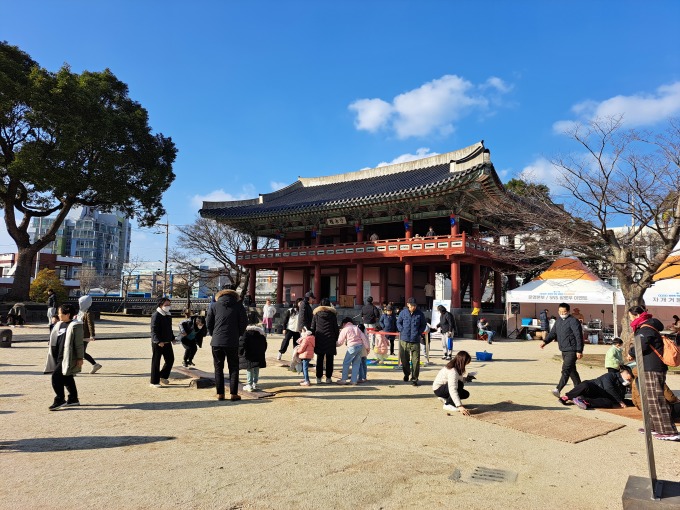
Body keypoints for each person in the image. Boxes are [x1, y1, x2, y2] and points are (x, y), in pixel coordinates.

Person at [628, 305, 679, 440]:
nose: (630, 319)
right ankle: (652, 426)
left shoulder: (646, 328)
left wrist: (630, 352)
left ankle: (668, 431)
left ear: (637, 315)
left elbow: (641, 346)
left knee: (656, 400)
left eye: (631, 316)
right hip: (651, 367)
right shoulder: (649, 327)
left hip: (652, 368)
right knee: (650, 400)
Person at [207, 289, 247, 401]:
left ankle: (220, 393)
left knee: (218, 367)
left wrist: (213, 334)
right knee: (234, 367)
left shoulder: (214, 306)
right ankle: (234, 393)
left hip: (216, 341)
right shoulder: (239, 306)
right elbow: (243, 322)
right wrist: (238, 334)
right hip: (232, 341)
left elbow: (208, 322)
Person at [44, 304, 84, 410]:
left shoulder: (76, 325)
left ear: (68, 314)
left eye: (60, 313)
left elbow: (79, 343)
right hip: (58, 355)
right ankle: (73, 399)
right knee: (67, 377)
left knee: (56, 377)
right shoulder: (59, 324)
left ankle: (60, 399)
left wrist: (80, 358)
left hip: (67, 357)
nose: (58, 315)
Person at [540, 302, 583, 398]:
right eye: (560, 311)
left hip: (572, 350)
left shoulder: (573, 321)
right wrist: (545, 342)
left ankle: (558, 389)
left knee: (566, 369)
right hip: (563, 350)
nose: (562, 313)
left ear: (568, 311)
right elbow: (552, 333)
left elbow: (578, 336)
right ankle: (580, 390)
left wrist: (579, 350)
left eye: (564, 312)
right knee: (572, 371)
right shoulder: (558, 321)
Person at [558, 366, 632, 409]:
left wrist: (633, 403)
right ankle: (567, 397)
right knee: (585, 385)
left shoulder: (624, 385)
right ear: (625, 373)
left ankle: (584, 401)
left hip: (601, 396)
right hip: (595, 387)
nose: (630, 379)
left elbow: (621, 398)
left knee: (608, 403)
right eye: (629, 377)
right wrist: (620, 401)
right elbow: (608, 388)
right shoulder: (611, 375)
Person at [396, 297, 427, 386]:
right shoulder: (403, 313)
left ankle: (414, 378)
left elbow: (423, 324)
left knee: (416, 361)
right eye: (412, 305)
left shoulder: (420, 314)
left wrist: (419, 332)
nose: (413, 307)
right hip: (404, 340)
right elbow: (398, 323)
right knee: (404, 360)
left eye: (415, 306)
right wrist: (401, 330)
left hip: (415, 340)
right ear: (408, 305)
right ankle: (406, 374)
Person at [432, 350, 473, 415]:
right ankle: (448, 404)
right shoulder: (452, 371)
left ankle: (446, 399)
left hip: (444, 387)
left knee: (465, 394)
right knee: (459, 385)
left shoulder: (456, 366)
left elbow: (457, 379)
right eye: (466, 363)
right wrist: (460, 406)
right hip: (438, 389)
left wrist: (466, 379)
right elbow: (452, 388)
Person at [310, 298, 339, 383]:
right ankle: (328, 378)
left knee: (319, 359)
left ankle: (318, 378)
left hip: (319, 338)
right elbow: (335, 328)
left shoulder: (316, 314)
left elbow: (313, 327)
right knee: (330, 359)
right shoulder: (333, 315)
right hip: (330, 338)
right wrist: (336, 338)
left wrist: (314, 337)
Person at [150, 297, 175, 388]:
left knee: (170, 360)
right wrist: (158, 341)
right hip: (158, 343)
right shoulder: (156, 315)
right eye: (166, 305)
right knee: (156, 362)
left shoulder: (168, 315)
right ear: (160, 305)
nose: (168, 306)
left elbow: (169, 329)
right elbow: (154, 330)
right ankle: (154, 382)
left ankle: (163, 376)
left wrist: (172, 338)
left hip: (167, 342)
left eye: (169, 304)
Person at [239, 311, 267, 392]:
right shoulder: (261, 333)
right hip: (258, 354)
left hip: (249, 354)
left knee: (250, 369)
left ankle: (249, 384)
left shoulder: (245, 333)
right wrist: (262, 352)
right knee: (256, 368)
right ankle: (255, 383)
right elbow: (264, 344)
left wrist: (240, 352)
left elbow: (242, 344)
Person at [336, 317, 369, 385]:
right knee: (356, 364)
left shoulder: (345, 329)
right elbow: (364, 338)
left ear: (344, 323)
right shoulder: (356, 328)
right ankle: (354, 380)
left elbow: (340, 342)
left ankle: (344, 379)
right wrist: (367, 348)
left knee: (346, 363)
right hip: (360, 346)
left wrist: (334, 345)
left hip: (352, 347)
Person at [77, 295, 102, 374]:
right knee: (81, 352)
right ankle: (95, 364)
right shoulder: (82, 311)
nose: (79, 304)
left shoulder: (88, 312)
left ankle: (94, 364)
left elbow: (90, 323)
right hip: (80, 334)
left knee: (81, 352)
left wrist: (92, 335)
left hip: (85, 335)